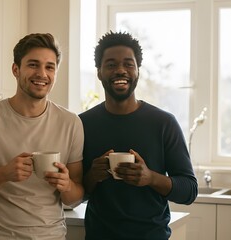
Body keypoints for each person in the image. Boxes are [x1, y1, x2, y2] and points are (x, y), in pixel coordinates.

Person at [0, 33, 84, 239]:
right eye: (33, 64)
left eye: (50, 67)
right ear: (16, 69)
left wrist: (66, 185)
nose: (42, 73)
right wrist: (3, 174)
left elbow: (75, 198)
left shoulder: (71, 123)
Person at [79, 31, 198, 240]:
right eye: (111, 65)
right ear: (99, 72)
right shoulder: (82, 124)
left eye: (128, 64)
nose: (120, 70)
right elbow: (75, 193)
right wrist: (92, 176)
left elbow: (189, 191)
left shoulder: (163, 123)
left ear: (138, 71)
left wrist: (150, 178)